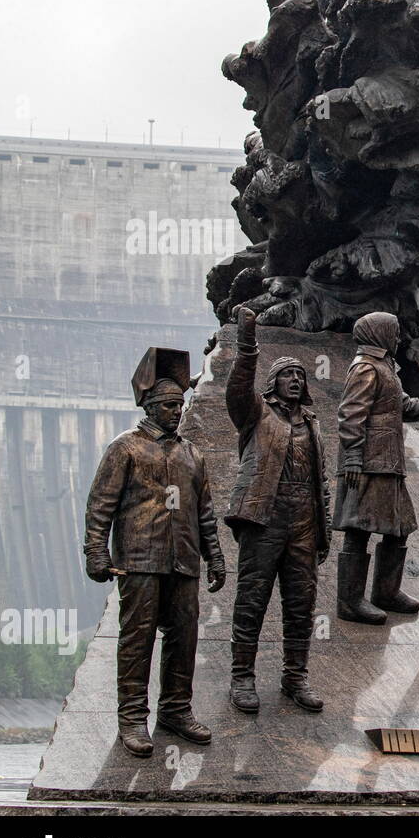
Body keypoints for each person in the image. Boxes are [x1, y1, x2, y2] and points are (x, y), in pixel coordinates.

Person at [83, 348, 226, 757]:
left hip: (183, 560)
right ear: (149, 405)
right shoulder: (125, 448)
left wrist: (214, 557)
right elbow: (100, 505)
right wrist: (96, 552)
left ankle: (175, 711)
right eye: (168, 405)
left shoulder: (192, 454)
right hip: (139, 560)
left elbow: (206, 514)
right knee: (137, 639)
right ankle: (131, 718)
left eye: (179, 405)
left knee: (183, 638)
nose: (176, 412)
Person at [224, 306, 330, 713]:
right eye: (288, 374)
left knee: (301, 602)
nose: (296, 379)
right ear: (272, 383)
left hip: (304, 521)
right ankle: (242, 677)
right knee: (252, 598)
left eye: (300, 375)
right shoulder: (255, 414)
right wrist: (247, 342)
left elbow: (321, 479)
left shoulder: (312, 422)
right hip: (264, 518)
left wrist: (323, 531)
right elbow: (237, 386)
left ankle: (295, 676)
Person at [333, 311, 419, 623]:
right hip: (368, 465)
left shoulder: (385, 367)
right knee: (359, 530)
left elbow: (404, 406)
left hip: (389, 463)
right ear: (379, 334)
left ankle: (386, 591)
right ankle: (350, 601)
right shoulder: (366, 367)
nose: (397, 338)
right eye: (393, 332)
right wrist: (353, 458)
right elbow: (350, 414)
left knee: (400, 528)